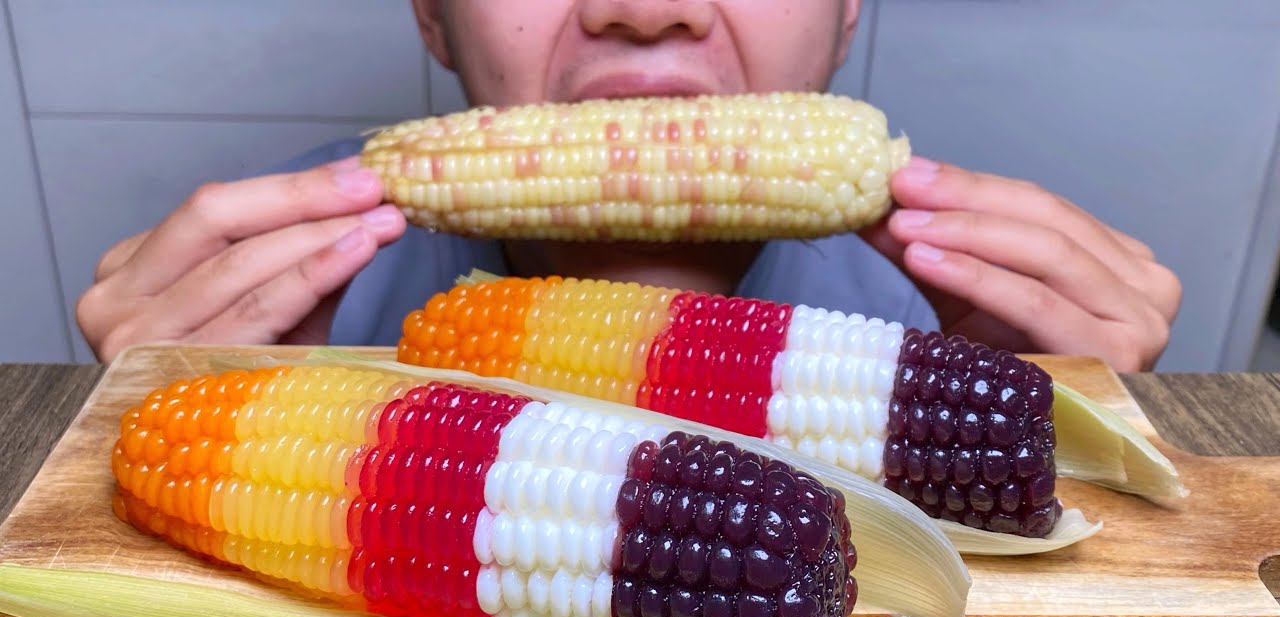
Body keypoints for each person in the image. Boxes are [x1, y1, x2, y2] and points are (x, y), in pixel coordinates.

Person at [76, 0, 1181, 371]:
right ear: (432, 16)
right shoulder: (260, 296)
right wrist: (176, 424)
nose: (646, 10)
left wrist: (1043, 436)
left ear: (848, 14)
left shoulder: (955, 323)